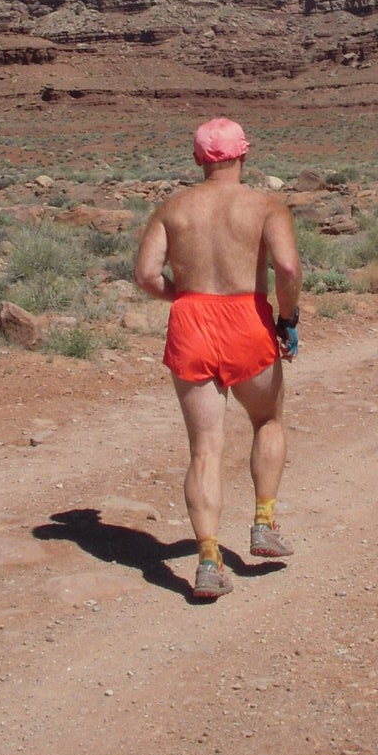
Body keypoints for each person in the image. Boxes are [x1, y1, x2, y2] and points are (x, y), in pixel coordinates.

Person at [134, 117, 302, 600]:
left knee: (205, 448)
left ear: (197, 159)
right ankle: (264, 523)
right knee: (267, 420)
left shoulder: (172, 209)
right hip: (247, 319)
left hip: (192, 323)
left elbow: (146, 275)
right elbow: (287, 266)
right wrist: (287, 318)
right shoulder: (265, 206)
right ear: (244, 154)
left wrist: (185, 298)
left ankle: (208, 561)